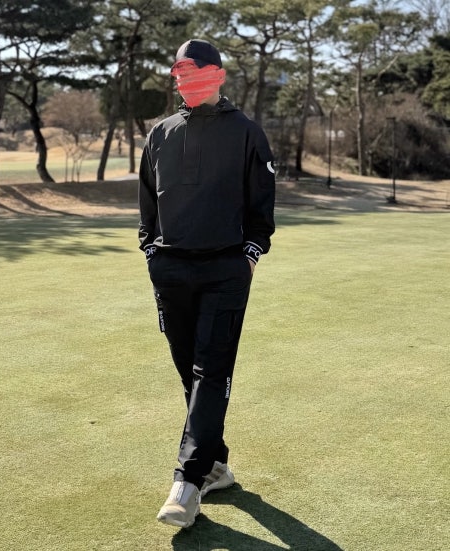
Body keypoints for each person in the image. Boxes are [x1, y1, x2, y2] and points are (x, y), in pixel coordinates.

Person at [138, 38, 276, 528]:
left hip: (224, 270)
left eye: (195, 72)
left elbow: (262, 207)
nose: (186, 81)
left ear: (217, 75)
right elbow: (147, 204)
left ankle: (187, 482)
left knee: (210, 372)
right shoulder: (160, 133)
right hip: (170, 270)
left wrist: (250, 256)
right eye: (180, 73)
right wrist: (151, 251)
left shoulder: (247, 132)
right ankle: (216, 465)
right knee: (190, 376)